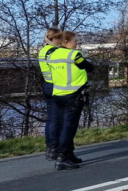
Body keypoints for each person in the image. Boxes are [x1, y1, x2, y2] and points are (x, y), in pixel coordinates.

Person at [48, 31, 93, 170]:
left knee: (62, 125)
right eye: (75, 41)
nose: (77, 43)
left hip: (58, 95)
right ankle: (62, 158)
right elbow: (89, 67)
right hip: (73, 95)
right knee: (69, 128)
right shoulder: (74, 55)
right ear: (65, 42)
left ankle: (69, 154)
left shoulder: (52, 55)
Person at [38, 27, 62, 161]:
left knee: (51, 118)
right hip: (57, 86)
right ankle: (55, 148)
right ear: (54, 38)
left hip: (47, 85)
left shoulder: (43, 51)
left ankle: (50, 148)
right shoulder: (55, 52)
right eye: (60, 38)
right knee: (58, 119)